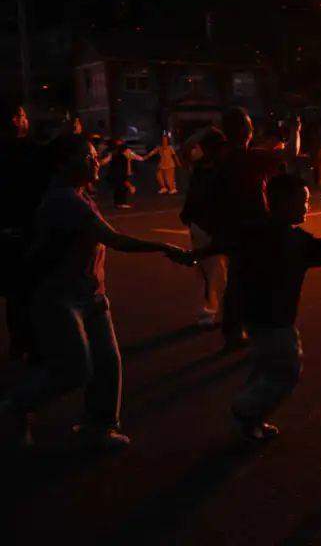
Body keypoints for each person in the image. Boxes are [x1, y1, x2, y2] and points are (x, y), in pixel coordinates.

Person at [0, 135, 187, 448]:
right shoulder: (65, 200)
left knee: (107, 363)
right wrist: (165, 246)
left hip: (90, 294)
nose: (94, 161)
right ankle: (15, 406)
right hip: (59, 296)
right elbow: (115, 240)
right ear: (62, 164)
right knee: (74, 369)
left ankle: (99, 426)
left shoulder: (79, 195)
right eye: (87, 157)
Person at [189, 173, 321, 441]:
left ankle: (251, 420)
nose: (308, 205)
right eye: (303, 200)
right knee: (287, 369)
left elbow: (221, 244)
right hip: (275, 319)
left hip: (254, 314)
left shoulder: (259, 230)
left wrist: (194, 255)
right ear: (285, 202)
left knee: (265, 366)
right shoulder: (291, 239)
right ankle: (246, 411)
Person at [209, 107, 301, 349]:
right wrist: (295, 130)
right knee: (254, 280)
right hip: (255, 227)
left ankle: (233, 331)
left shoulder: (222, 157)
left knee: (237, 279)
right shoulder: (250, 157)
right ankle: (253, 330)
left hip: (230, 227)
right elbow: (290, 155)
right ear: (247, 130)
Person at [0, 105, 50, 361]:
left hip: (8, 231)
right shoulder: (30, 152)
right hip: (28, 229)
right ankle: (33, 344)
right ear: (15, 119)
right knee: (31, 290)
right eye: (23, 115)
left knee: (15, 293)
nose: (26, 120)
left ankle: (20, 343)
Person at [180, 128, 228, 328]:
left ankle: (220, 312)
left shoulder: (220, 167)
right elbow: (185, 149)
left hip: (214, 224)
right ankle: (211, 312)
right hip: (204, 224)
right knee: (209, 272)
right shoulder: (203, 166)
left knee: (215, 272)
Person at [100, 138, 145, 208]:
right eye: (118, 143)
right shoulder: (115, 152)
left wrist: (140, 158)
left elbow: (136, 157)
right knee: (120, 187)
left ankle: (119, 202)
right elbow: (106, 160)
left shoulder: (123, 151)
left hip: (119, 171)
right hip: (117, 171)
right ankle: (120, 202)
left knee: (120, 186)